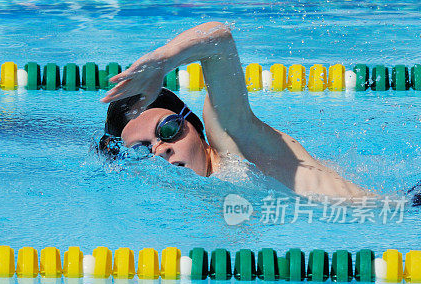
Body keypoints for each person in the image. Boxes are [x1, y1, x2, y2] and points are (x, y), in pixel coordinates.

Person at [98, 21, 372, 200]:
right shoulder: (202, 194)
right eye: (142, 150)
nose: (160, 150)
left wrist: (165, 60)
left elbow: (219, 41)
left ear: (191, 122)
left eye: (167, 130)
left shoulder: (233, 142)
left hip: (408, 212)